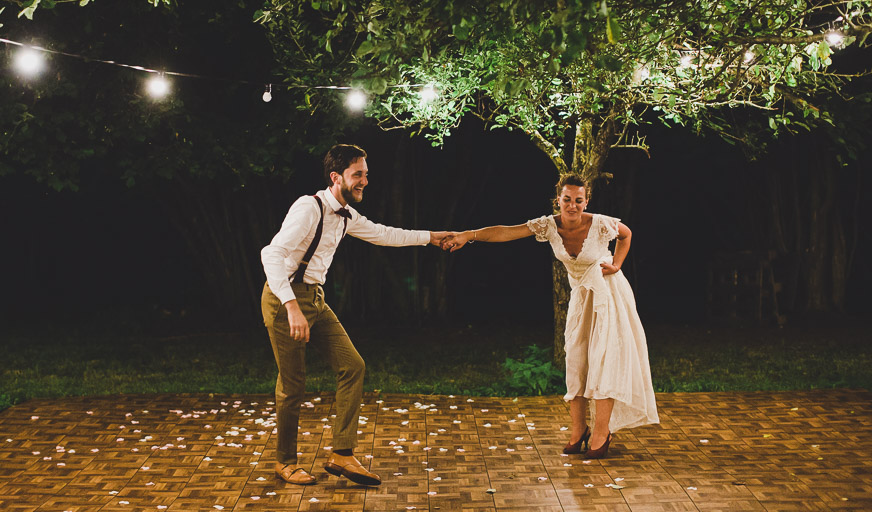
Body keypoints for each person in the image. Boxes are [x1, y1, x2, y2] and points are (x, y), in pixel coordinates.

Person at [260, 143, 452, 486]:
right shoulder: (309, 208)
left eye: (365, 173)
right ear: (337, 177)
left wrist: (431, 238)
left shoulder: (347, 215)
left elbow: (384, 234)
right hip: (284, 299)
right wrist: (291, 308)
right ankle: (285, 462)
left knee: (353, 366)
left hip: (315, 298)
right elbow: (271, 254)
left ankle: (342, 454)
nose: (364, 180)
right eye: (357, 174)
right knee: (293, 384)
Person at [442, 173, 658, 459]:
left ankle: (602, 433)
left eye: (578, 200)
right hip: (582, 296)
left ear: (586, 201)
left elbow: (626, 234)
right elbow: (506, 231)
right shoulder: (549, 226)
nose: (572, 206)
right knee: (577, 359)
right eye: (567, 199)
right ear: (558, 199)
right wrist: (468, 235)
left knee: (603, 359)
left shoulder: (601, 223)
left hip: (607, 296)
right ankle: (578, 430)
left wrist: (617, 263)